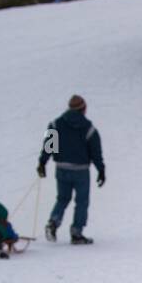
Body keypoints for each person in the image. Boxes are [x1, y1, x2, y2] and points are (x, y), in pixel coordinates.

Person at [37, 94, 105, 245]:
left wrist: (42, 163)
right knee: (81, 201)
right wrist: (101, 170)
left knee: (62, 198)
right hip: (81, 171)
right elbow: (95, 152)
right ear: (84, 109)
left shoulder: (55, 124)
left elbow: (49, 147)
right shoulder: (89, 128)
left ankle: (53, 222)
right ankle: (76, 233)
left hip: (61, 168)